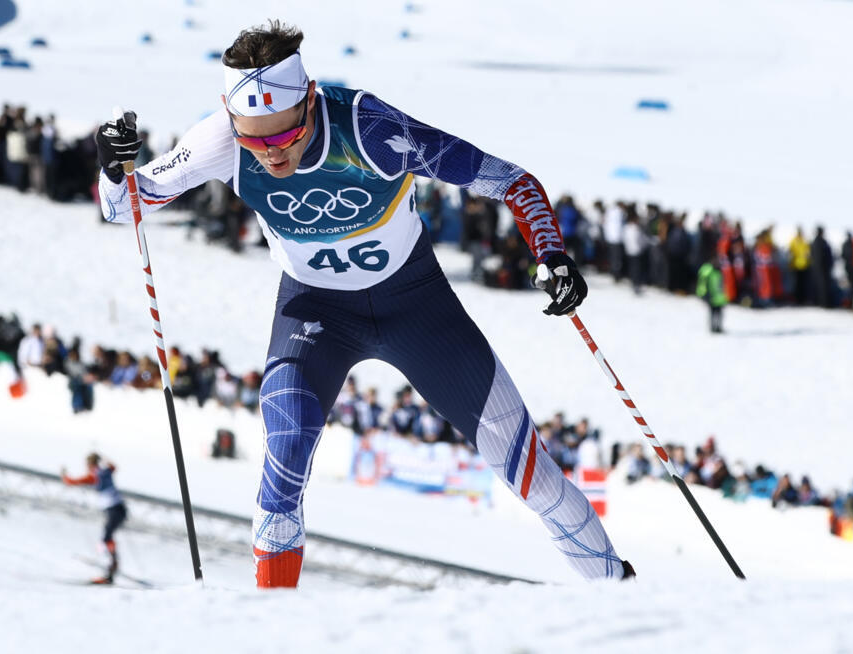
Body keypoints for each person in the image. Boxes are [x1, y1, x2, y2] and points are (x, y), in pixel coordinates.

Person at [96, 20, 633, 587]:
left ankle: (621, 596)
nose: (271, 154)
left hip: (416, 305)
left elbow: (511, 181)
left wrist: (551, 253)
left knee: (532, 475)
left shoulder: (369, 130)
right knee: (283, 464)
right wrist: (111, 168)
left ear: (309, 100)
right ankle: (269, 623)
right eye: (254, 140)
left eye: (285, 136)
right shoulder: (219, 141)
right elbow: (124, 206)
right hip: (314, 313)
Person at [61, 453, 127, 584]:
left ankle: (112, 566)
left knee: (106, 538)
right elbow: (114, 466)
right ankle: (112, 564)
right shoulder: (105, 471)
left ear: (90, 464)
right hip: (119, 509)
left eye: (87, 464)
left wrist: (64, 475)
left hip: (114, 510)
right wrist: (103, 457)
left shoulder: (94, 475)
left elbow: (72, 482)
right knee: (107, 537)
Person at [697, 255, 728, 333]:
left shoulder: (720, 271)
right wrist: (704, 294)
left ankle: (718, 327)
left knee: (719, 313)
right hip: (712, 297)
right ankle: (713, 327)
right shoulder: (708, 271)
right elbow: (703, 284)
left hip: (719, 298)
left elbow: (723, 285)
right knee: (713, 313)